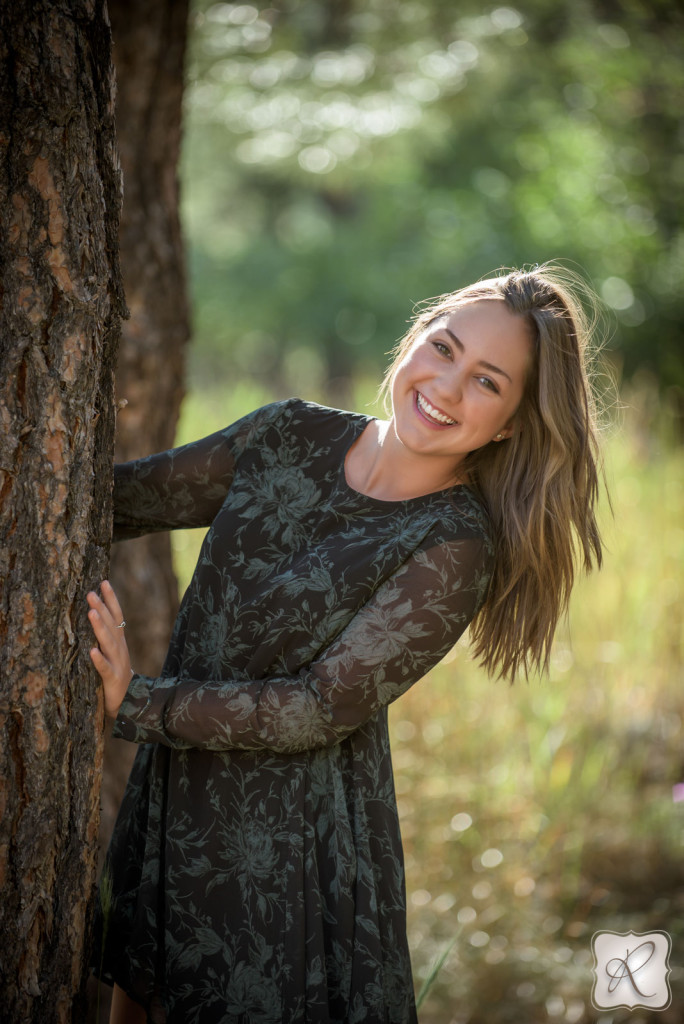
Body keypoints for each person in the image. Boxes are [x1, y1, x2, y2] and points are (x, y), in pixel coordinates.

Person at [88, 265, 605, 1024]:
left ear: (514, 423)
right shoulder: (287, 433)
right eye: (444, 348)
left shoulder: (452, 547)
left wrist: (134, 701)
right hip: (175, 796)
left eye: (488, 382)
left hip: (289, 850)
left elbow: (318, 709)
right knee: (133, 995)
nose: (448, 387)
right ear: (414, 341)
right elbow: (115, 500)